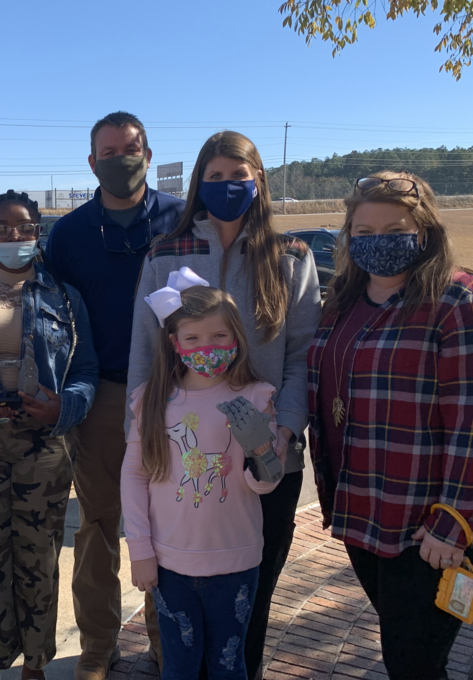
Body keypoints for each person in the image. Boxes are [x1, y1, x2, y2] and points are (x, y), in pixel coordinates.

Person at [307, 171, 473, 680]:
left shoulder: (463, 301)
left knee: (414, 662)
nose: (378, 243)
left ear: (424, 232)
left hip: (428, 528)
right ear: (349, 237)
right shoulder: (342, 304)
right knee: (407, 655)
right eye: (364, 233)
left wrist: (455, 523)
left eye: (394, 229)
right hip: (364, 514)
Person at [126, 131, 320, 679]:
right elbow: (145, 350)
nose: (228, 187)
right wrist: (137, 434)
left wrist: (283, 432)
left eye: (240, 177)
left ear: (259, 181)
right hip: (181, 456)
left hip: (265, 454)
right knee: (177, 599)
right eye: (215, 177)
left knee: (249, 603)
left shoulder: (291, 257)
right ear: (197, 185)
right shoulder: (166, 254)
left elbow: (302, 356)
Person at [45, 111, 185, 679]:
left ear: (148, 156)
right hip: (102, 394)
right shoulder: (70, 232)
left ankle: (164, 639)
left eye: (130, 149)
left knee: (171, 522)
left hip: (174, 395)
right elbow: (50, 315)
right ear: (91, 161)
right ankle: (99, 646)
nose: (119, 159)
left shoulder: (182, 220)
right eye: (108, 151)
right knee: (99, 526)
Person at [0, 191, 98, 680]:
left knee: (39, 558)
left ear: (37, 232)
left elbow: (86, 370)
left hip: (43, 447)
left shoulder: (65, 298)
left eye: (24, 227)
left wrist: (65, 407)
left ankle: (34, 664)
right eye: (2, 227)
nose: (13, 236)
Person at [123, 274, 282, 680]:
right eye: (192, 338)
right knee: (178, 667)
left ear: (237, 339)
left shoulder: (255, 397)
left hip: (236, 559)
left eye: (219, 335)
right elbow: (134, 476)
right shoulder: (153, 400)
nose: (206, 347)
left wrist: (261, 451)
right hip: (169, 562)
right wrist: (139, 549)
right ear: (174, 342)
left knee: (229, 665)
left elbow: (265, 483)